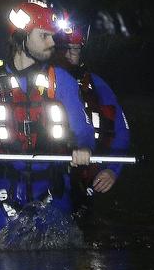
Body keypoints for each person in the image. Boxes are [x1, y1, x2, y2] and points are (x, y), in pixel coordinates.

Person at [0, 0, 95, 239]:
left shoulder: (61, 81)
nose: (52, 43)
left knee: (61, 258)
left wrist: (84, 148)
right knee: (5, 261)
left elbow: (83, 129)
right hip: (6, 187)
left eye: (53, 36)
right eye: (44, 36)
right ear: (23, 37)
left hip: (54, 183)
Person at [55, 22, 131, 202]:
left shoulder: (98, 86)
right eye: (63, 49)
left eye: (74, 48)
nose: (68, 54)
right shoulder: (37, 85)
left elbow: (121, 131)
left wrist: (112, 170)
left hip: (87, 175)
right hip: (46, 175)